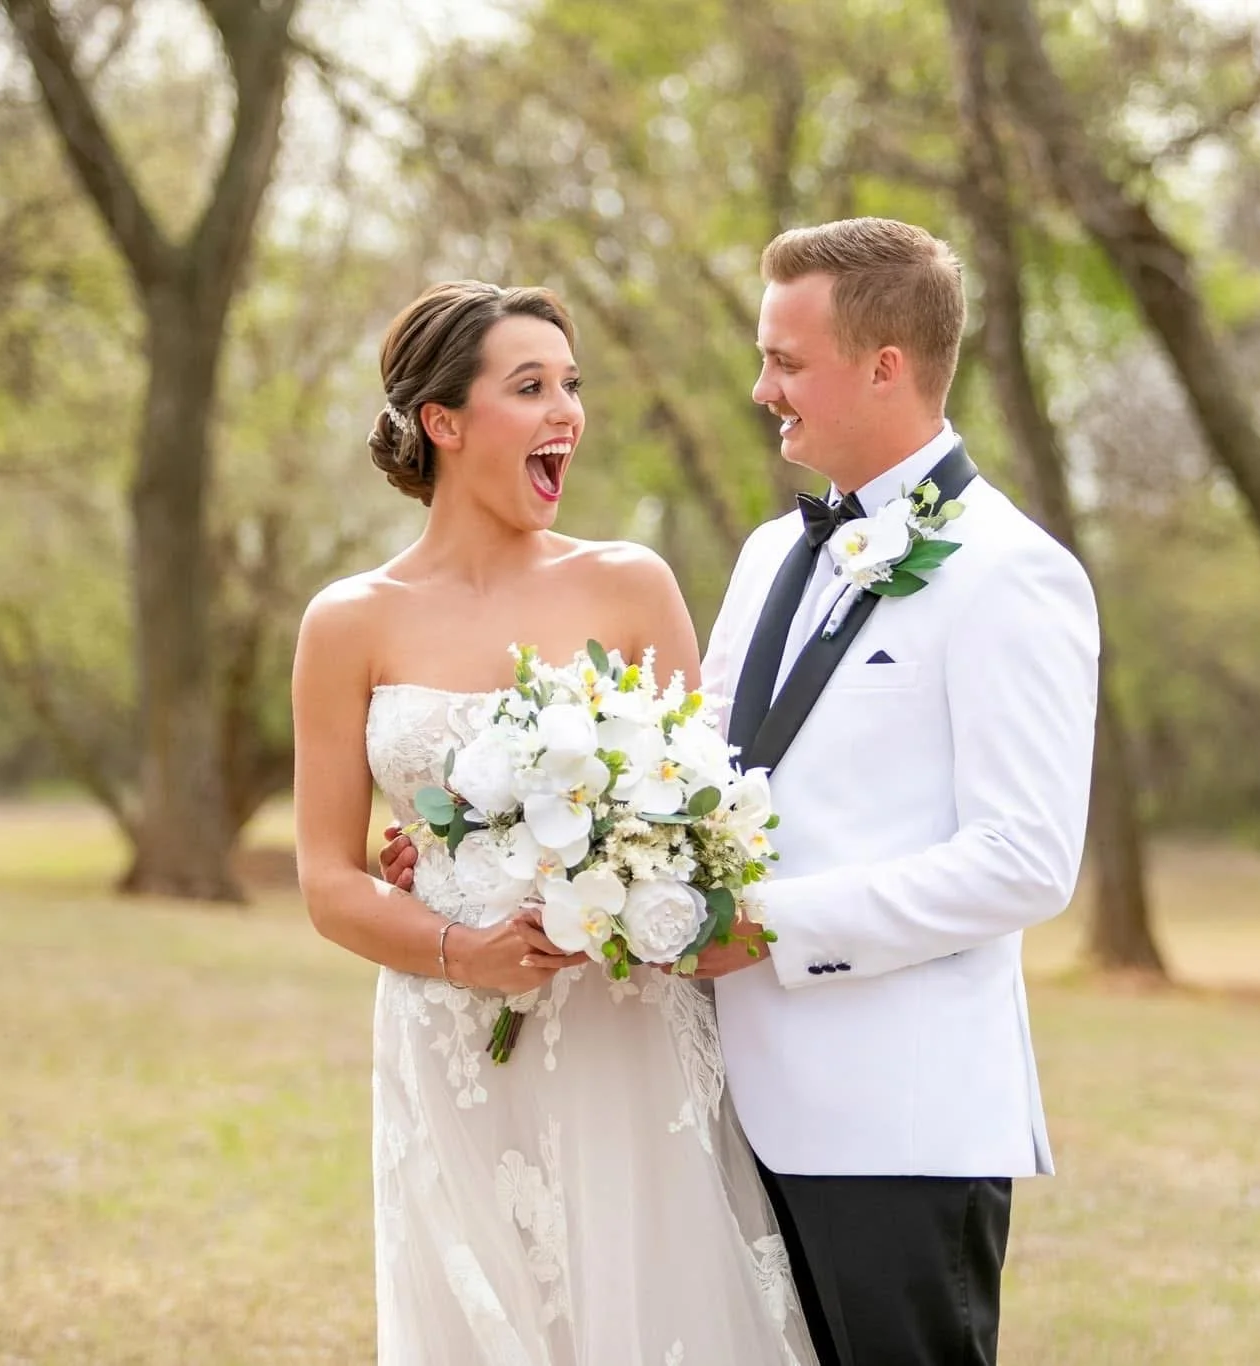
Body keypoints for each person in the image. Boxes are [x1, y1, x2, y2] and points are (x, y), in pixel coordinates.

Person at [382, 219, 1100, 1366]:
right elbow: (681, 779)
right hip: (719, 1104)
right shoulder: (774, 552)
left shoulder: (1013, 574)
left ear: (884, 366)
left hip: (892, 1124)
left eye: (784, 360)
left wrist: (772, 926)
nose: (759, 386)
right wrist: (491, 843)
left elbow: (1022, 860)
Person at [291, 280, 816, 1365]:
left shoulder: (629, 584)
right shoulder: (347, 622)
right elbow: (328, 881)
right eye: (528, 387)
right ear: (442, 421)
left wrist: (639, 892)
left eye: (570, 384)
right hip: (450, 1044)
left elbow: (703, 818)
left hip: (622, 1029)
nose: (565, 410)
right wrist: (459, 950)